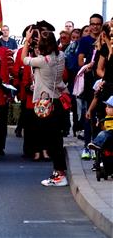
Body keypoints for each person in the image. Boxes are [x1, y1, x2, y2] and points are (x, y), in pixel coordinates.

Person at [23, 28, 68, 187]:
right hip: (58, 100)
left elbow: (24, 59)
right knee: (56, 140)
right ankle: (58, 172)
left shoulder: (42, 61)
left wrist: (27, 41)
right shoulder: (60, 56)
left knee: (52, 141)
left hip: (46, 103)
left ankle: (60, 175)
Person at [77, 14, 103, 159]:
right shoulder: (85, 41)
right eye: (92, 24)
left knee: (102, 114)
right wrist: (88, 65)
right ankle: (87, 146)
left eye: (98, 24)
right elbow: (80, 61)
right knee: (89, 114)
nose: (95, 26)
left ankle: (98, 145)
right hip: (89, 81)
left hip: (103, 80)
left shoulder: (105, 40)